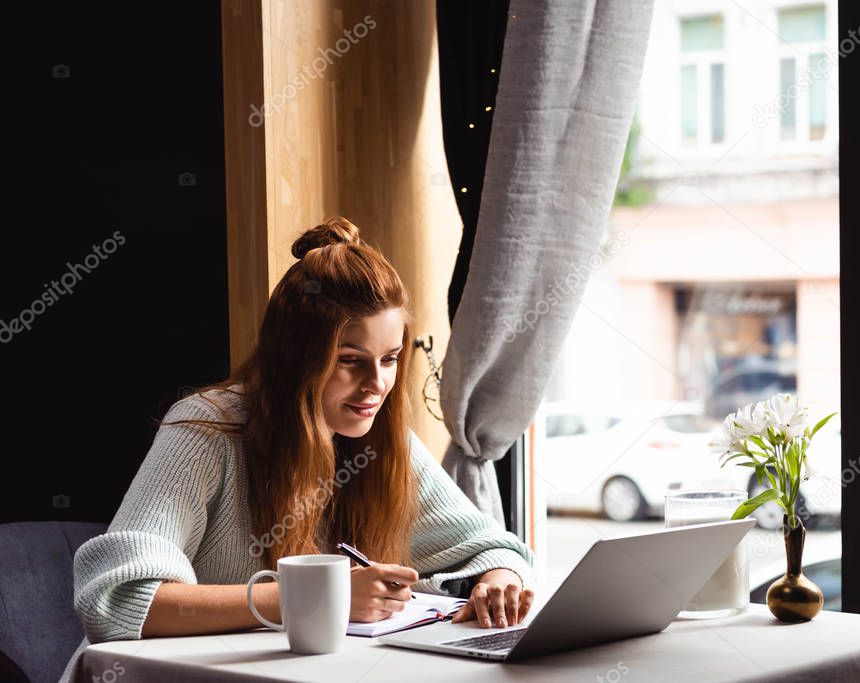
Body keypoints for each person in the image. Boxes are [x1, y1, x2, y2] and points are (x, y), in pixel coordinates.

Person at [59, 217, 533, 681]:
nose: (377, 385)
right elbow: (116, 602)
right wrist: (316, 597)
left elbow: (495, 549)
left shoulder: (378, 436)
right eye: (349, 361)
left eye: (389, 360)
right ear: (296, 357)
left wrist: (497, 586)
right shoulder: (205, 429)